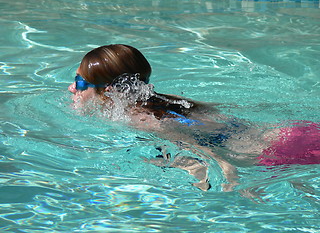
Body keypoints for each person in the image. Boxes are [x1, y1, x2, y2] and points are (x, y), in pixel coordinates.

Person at [68, 44, 320, 196]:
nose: (72, 88)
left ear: (110, 90)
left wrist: (230, 183)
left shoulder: (142, 120)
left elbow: (205, 154)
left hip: (278, 154)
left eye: (80, 82)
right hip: (289, 132)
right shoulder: (164, 99)